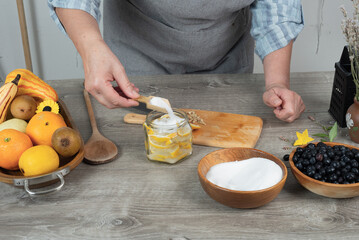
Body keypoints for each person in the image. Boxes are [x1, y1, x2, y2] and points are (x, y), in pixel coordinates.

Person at [48, 0, 305, 122]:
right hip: (133, 64)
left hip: (228, 65)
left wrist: (277, 83)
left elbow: (277, 9)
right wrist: (92, 48)